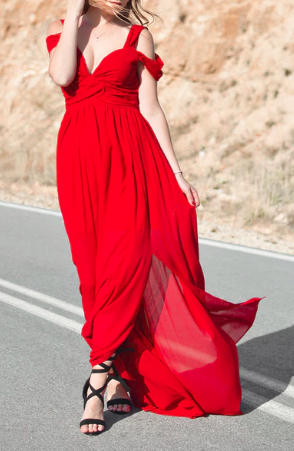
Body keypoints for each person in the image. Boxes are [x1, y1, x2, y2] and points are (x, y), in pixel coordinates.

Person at [46, 0, 265, 437]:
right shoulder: (61, 27)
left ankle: (95, 379)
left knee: (127, 263)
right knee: (92, 272)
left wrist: (177, 173)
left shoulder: (137, 36)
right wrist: (72, 13)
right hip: (79, 162)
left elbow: (151, 109)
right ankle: (120, 376)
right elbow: (62, 77)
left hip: (131, 158)